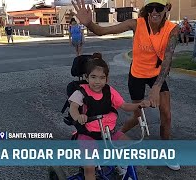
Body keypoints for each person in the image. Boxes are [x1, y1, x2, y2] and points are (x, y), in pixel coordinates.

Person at [71, 0, 180, 170]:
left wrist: (156, 88)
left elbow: (167, 60)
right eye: (150, 8)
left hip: (156, 75)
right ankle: (112, 135)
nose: (154, 12)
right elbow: (102, 31)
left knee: (166, 114)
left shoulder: (173, 29)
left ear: (167, 8)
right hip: (137, 74)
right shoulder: (136, 24)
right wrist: (90, 23)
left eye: (158, 8)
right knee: (137, 116)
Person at [68, 53, 151, 180]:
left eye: (102, 78)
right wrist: (78, 116)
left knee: (131, 147)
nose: (97, 82)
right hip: (88, 135)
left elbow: (124, 105)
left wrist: (139, 105)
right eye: (93, 77)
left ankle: (124, 169)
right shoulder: (81, 92)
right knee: (89, 167)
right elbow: (73, 107)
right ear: (87, 77)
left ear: (107, 79)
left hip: (109, 133)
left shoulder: (109, 91)